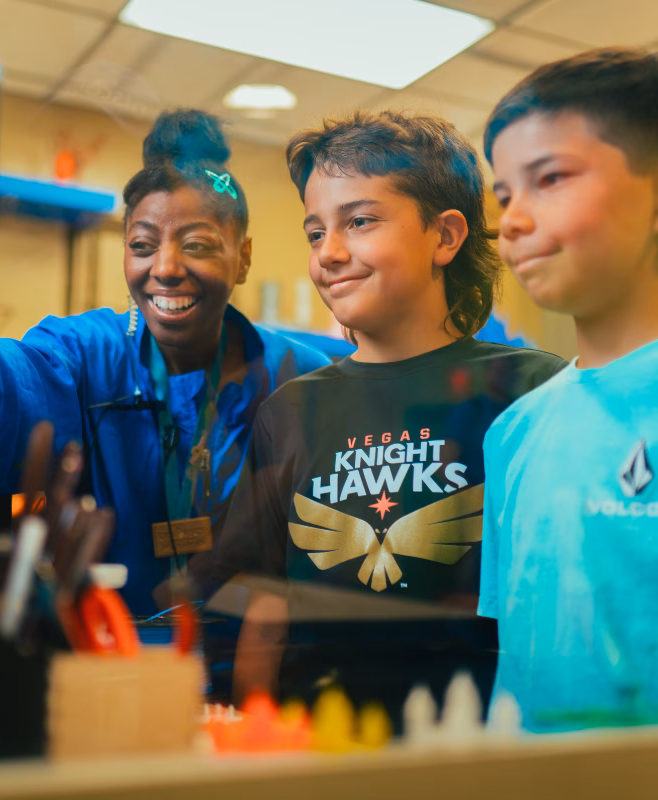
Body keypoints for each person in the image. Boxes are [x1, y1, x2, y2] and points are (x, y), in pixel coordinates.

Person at [0, 109, 330, 617]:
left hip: (259, 672)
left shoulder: (301, 378)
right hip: (111, 664)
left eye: (197, 246)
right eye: (142, 246)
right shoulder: (87, 354)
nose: (165, 269)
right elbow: (14, 381)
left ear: (244, 256)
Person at [214, 110, 565, 727]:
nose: (331, 252)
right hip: (317, 744)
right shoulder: (290, 410)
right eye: (315, 233)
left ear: (446, 237)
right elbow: (266, 606)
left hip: (473, 743)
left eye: (360, 221)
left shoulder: (529, 389)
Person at [478, 47, 658, 732]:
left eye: (550, 178)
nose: (514, 220)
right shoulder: (514, 431)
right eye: (504, 194)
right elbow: (517, 663)